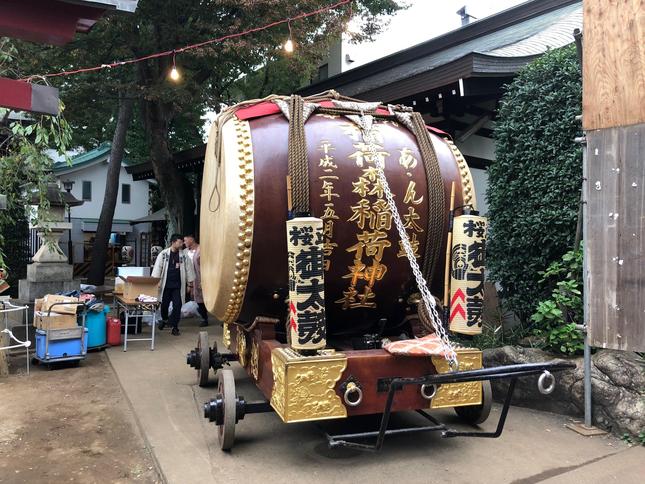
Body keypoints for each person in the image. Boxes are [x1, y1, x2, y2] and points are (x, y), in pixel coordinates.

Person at [152, 234, 195, 336]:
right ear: (173, 242)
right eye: (179, 242)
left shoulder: (183, 256)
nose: (181, 244)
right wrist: (156, 282)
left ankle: (175, 327)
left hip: (177, 286)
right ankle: (165, 319)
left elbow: (189, 270)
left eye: (181, 242)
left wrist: (190, 284)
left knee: (178, 306)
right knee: (164, 306)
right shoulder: (163, 254)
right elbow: (158, 268)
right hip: (165, 285)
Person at [184, 235, 209, 327]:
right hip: (191, 279)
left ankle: (206, 318)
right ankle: (204, 317)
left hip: (201, 278)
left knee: (204, 299)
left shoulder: (201, 250)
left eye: (185, 240)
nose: (184, 242)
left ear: (191, 239)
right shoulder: (185, 252)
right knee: (198, 299)